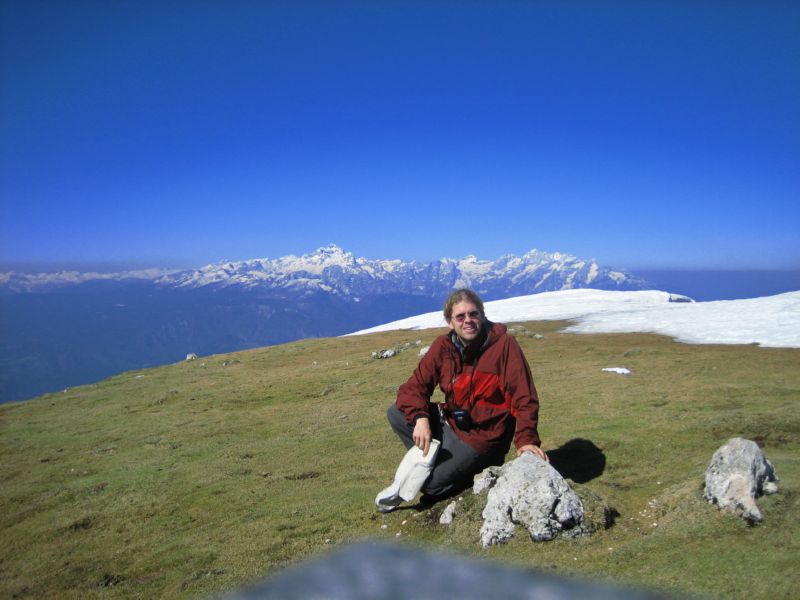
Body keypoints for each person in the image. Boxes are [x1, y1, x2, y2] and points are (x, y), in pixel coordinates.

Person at [378, 288, 546, 510]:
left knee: (428, 485)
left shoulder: (504, 346)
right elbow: (413, 387)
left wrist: (526, 441)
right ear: (450, 322)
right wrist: (421, 418)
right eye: (460, 316)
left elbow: (525, 398)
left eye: (473, 314)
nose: (468, 321)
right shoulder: (443, 347)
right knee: (396, 413)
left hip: (483, 439)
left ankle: (469, 472)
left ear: (482, 316)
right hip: (452, 424)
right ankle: (436, 459)